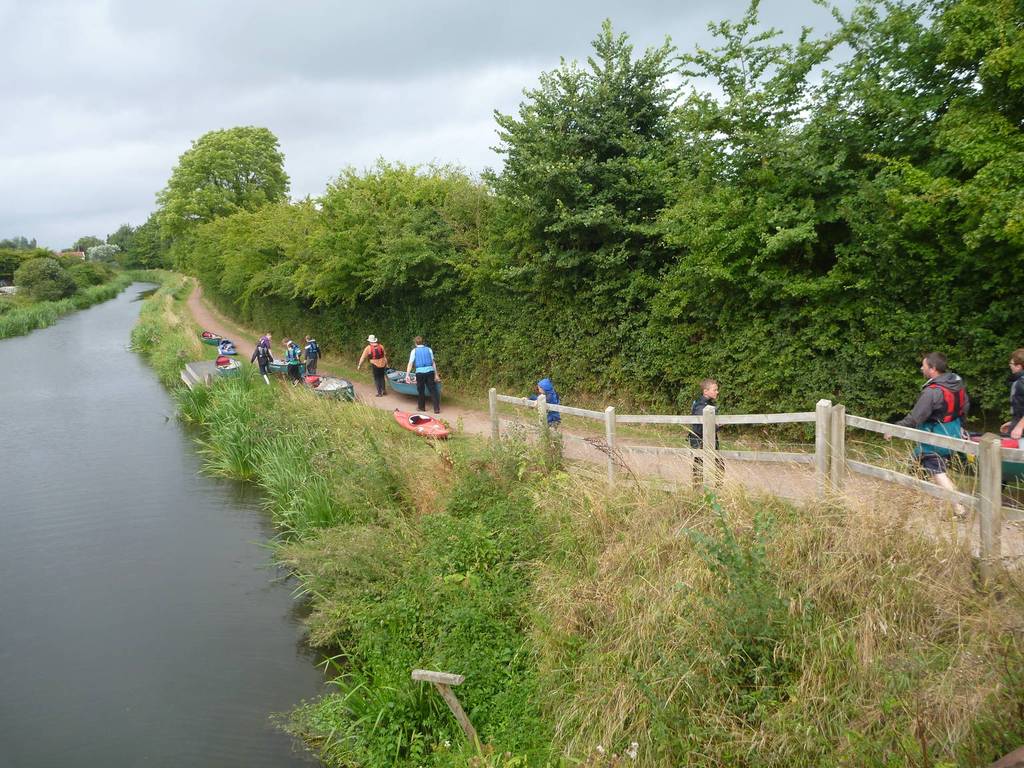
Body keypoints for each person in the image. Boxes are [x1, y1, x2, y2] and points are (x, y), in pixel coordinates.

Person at [888, 352, 969, 518]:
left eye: (923, 365)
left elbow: (916, 417)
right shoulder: (956, 382)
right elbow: (964, 406)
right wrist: (961, 426)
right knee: (916, 462)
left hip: (935, 436)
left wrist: (894, 429)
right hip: (953, 430)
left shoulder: (932, 392)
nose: (921, 368)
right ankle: (920, 496)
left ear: (932, 369)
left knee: (936, 470)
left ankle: (959, 509)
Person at [689, 378, 726, 488]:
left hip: (709, 441)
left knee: (715, 466)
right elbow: (700, 428)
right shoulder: (701, 406)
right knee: (703, 467)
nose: (717, 392)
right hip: (701, 441)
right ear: (705, 391)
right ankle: (704, 492)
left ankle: (712, 491)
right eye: (714, 390)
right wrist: (717, 425)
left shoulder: (708, 404)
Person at [406, 335, 441, 414]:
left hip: (420, 373)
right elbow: (433, 363)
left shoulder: (414, 351)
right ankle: (436, 409)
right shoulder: (429, 349)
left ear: (415, 343)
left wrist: (407, 375)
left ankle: (421, 407)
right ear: (423, 342)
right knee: (433, 390)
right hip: (430, 372)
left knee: (421, 390)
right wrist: (436, 374)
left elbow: (410, 363)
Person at [1001, 348, 1024, 441]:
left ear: (1018, 366)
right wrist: (1013, 422)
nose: (1010, 366)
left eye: (1011, 364)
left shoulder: (1021, 383)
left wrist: (1019, 426)